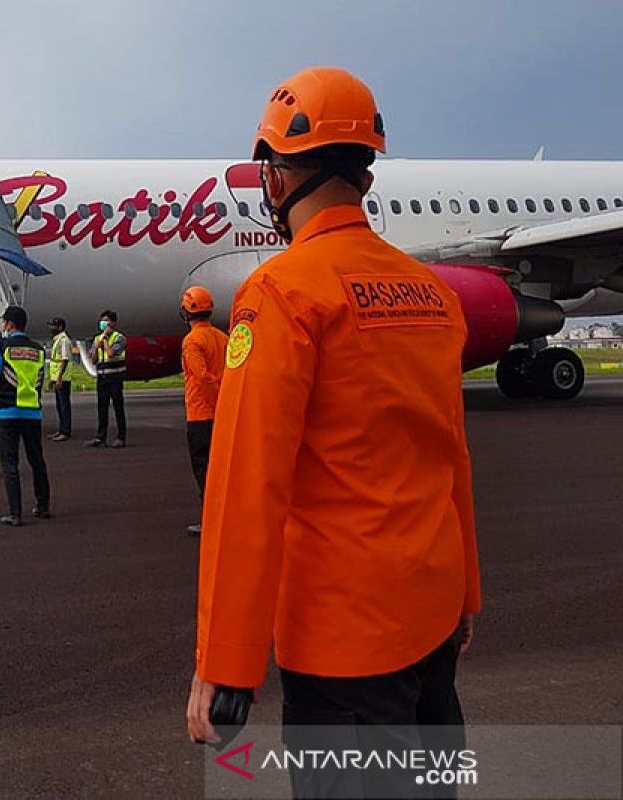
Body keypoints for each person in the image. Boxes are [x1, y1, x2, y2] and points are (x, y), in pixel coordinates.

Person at [185, 67, 481, 798]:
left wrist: (226, 664)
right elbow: (453, 457)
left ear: (275, 180)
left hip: (344, 643)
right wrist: (467, 591)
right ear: (366, 175)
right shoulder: (433, 293)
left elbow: (247, 484)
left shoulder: (283, 292)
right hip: (434, 616)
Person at [0, 305, 51, 526]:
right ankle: (43, 506)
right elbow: (41, 377)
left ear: (10, 324)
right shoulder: (38, 350)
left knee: (10, 464)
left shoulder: (1, 346)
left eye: (4, 322)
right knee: (37, 461)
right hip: (32, 411)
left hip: (7, 412)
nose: (3, 326)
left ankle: (15, 513)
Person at [179, 287, 228, 537]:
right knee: (224, 469)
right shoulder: (222, 337)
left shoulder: (192, 341)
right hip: (223, 414)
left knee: (204, 470)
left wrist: (216, 403)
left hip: (201, 414)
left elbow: (202, 377)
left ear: (186, 313)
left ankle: (211, 520)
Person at [85, 309, 126, 448]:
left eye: (106, 320)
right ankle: (100, 437)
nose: (103, 323)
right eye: (102, 320)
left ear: (113, 323)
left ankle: (121, 437)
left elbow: (111, 353)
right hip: (102, 377)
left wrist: (106, 340)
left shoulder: (119, 337)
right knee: (102, 408)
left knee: (118, 407)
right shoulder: (97, 338)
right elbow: (94, 359)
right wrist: (96, 346)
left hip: (115, 377)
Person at [46, 316, 73, 441]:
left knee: (64, 405)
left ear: (60, 327)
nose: (51, 328)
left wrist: (59, 378)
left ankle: (65, 431)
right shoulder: (57, 340)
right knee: (59, 405)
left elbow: (64, 360)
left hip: (63, 379)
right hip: (58, 377)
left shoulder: (64, 340)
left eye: (53, 325)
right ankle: (61, 429)